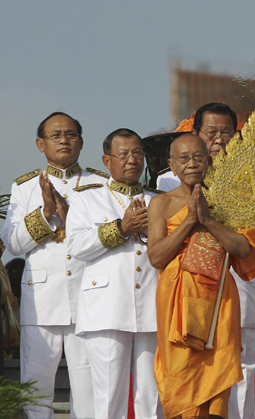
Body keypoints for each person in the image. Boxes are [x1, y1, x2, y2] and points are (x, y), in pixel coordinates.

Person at [155, 125, 255, 419]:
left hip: (220, 303)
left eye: (198, 157)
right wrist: (189, 222)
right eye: (183, 158)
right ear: (171, 165)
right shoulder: (161, 204)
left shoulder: (230, 199)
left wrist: (210, 220)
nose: (192, 164)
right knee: (180, 383)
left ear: (209, 160)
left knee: (216, 387)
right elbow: (157, 257)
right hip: (177, 303)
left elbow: (243, 250)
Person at [1, 111, 104, 418]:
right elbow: (15, 245)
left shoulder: (101, 184)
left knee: (88, 390)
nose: (64, 140)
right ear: (40, 144)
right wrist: (44, 215)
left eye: (70, 134)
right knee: (36, 389)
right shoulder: (25, 187)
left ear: (81, 142)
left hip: (89, 297)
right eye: (56, 135)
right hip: (43, 301)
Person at [66, 128, 163, 419]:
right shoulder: (87, 199)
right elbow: (77, 247)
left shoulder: (160, 200)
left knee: (152, 393)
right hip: (106, 307)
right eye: (123, 154)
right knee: (108, 395)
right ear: (107, 160)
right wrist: (121, 228)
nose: (132, 160)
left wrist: (149, 231)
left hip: (153, 304)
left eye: (137, 154)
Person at [157, 103, 238, 191]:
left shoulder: (246, 176)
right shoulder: (171, 181)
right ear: (195, 134)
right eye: (211, 133)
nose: (219, 140)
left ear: (235, 135)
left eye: (225, 133)